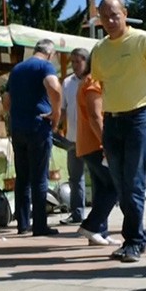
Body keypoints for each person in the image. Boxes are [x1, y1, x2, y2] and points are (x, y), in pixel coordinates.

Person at [90, 0, 146, 262]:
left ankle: (134, 241)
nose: (110, 21)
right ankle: (134, 239)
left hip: (139, 119)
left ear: (125, 13)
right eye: (105, 16)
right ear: (99, 19)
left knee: (133, 182)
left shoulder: (144, 40)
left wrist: (144, 108)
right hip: (112, 121)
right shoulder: (100, 50)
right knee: (120, 184)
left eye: (115, 15)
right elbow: (100, 86)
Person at [6, 38, 63, 236]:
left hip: (18, 127)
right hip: (38, 126)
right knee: (39, 178)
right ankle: (40, 225)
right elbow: (54, 87)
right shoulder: (45, 66)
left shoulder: (17, 69)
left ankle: (22, 224)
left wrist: (13, 116)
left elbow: (6, 100)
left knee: (22, 177)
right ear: (50, 53)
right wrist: (56, 113)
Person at [75, 52, 121, 247]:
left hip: (89, 144)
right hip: (95, 144)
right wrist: (106, 143)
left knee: (102, 188)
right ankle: (92, 225)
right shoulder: (93, 81)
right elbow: (95, 116)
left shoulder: (88, 80)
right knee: (114, 186)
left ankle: (100, 231)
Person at [59, 48, 89, 225]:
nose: (75, 65)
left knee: (100, 176)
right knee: (75, 177)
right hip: (73, 138)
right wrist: (55, 123)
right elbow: (63, 108)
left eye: (78, 61)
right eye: (73, 62)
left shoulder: (93, 79)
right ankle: (77, 214)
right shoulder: (67, 82)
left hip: (92, 137)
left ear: (86, 62)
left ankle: (102, 213)